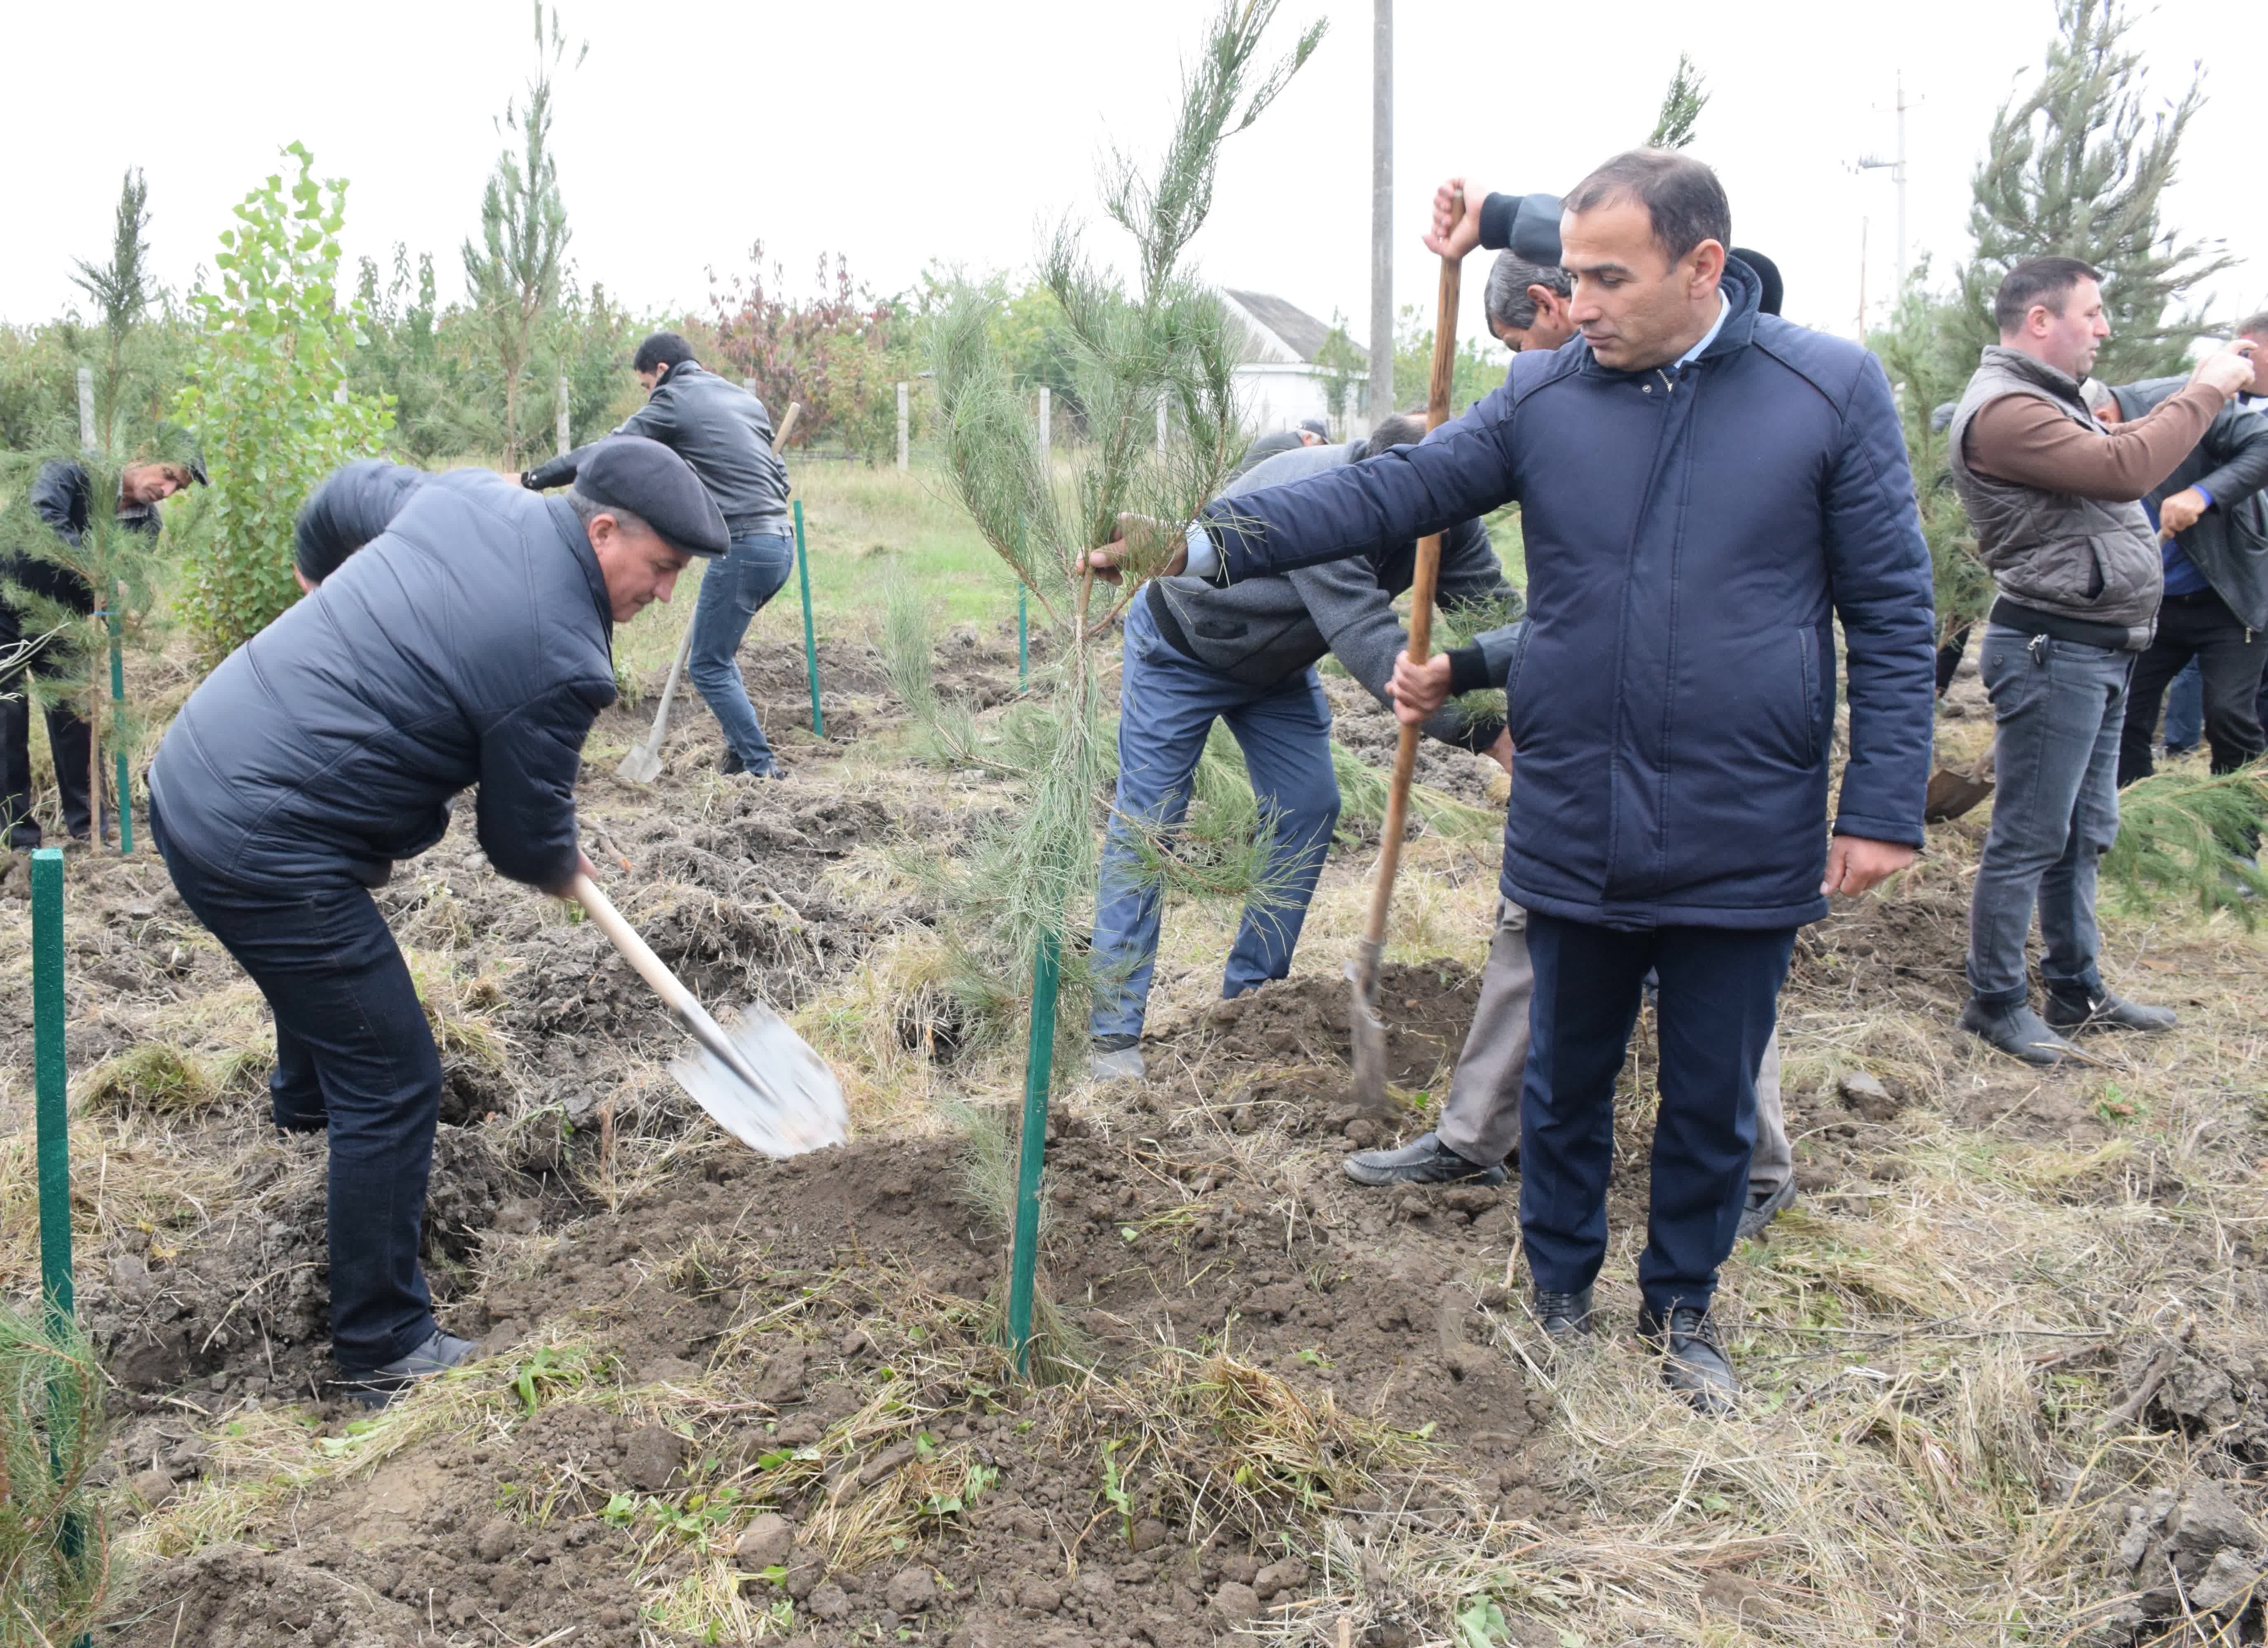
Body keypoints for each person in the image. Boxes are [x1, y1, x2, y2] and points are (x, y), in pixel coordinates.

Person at [1091, 150, 1936, 1414]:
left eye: (1605, 278)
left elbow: (1887, 603)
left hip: (1741, 814)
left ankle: (1682, 1310)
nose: (1574, 301)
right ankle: (1554, 1289)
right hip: (1575, 808)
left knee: (1710, 1090)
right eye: (1568, 275)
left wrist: (1878, 801)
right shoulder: (1544, 394)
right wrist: (1199, 542)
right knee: (1564, 1078)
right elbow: (1392, 489)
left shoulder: (1822, 390)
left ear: (1701, 267)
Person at [147, 437, 727, 1405]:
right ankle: (381, 1343)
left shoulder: (463, 497)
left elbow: (337, 493)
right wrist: (556, 856)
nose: (666, 594)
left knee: (333, 976)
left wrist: (322, 595)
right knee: (394, 1071)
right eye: (663, 567)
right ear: (601, 528)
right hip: (265, 842)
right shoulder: (563, 659)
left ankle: (303, 1115)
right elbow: (518, 842)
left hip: (198, 764)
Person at [1353, 240, 1800, 1245]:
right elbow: (1571, 612)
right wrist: (1462, 670)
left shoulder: (1712, 396)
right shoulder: (1556, 409)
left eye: (1525, 340)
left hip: (1702, 753)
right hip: (1578, 757)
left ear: (1559, 305)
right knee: (1531, 932)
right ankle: (1474, 1134)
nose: (1529, 364)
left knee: (1715, 960)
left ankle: (1759, 1164)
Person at [1090, 413, 1518, 1081]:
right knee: (1151, 825)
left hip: (1279, 665)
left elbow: (1495, 612)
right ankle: (1114, 1039)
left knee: (1310, 803)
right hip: (1182, 648)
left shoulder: (1453, 512)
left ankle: (1251, 999)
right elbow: (1374, 649)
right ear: (1382, 479)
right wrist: (1494, 737)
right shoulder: (1334, 501)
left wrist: (1548, 693)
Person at [1945, 258, 2257, 1065]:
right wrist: (2207, 387)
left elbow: (2121, 444)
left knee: (2083, 829)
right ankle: (1994, 1001)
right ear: (2040, 320)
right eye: (2092, 312)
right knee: (2029, 833)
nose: (2105, 327)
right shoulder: (2006, 411)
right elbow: (2126, 468)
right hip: (2055, 647)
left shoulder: (2053, 401)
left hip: (2097, 644)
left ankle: (2075, 986)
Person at [523, 332, 796, 778]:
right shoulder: (742, 401)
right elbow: (778, 478)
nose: (648, 397)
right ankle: (737, 757)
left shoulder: (675, 400)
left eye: (646, 386)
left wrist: (535, 479)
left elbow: (608, 452)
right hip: (779, 545)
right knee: (719, 656)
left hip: (744, 547)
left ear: (662, 372)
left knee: (707, 665)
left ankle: (764, 769)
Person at [2, 456, 200, 849]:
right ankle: (17, 837)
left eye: (178, 488)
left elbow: (131, 583)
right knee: (6, 717)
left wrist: (122, 606)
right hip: (5, 602)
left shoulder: (146, 524)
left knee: (77, 718)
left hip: (66, 621)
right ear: (141, 454)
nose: (167, 491)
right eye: (167, 476)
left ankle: (90, 827)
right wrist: (98, 573)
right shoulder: (67, 472)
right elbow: (43, 520)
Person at [2086, 377, 2268, 787]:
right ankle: (2133, 826)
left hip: (2229, 596)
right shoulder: (2080, 442)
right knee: (2124, 712)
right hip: (2152, 604)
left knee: (2228, 715)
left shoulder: (2185, 401)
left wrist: (2202, 494)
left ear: (2103, 419)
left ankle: (2235, 840)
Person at [1229, 417, 1330, 478]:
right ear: (1307, 438)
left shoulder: (1288, 441)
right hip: (1238, 493)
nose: (1318, 451)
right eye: (1320, 446)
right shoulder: (1295, 449)